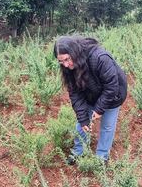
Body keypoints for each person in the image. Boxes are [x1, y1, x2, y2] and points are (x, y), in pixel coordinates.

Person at [54, 36, 127, 164]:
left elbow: (111, 87)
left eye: (67, 59)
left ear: (74, 52)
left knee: (107, 126)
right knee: (82, 124)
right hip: (90, 93)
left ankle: (101, 157)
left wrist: (99, 109)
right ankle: (78, 152)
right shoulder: (68, 68)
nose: (65, 65)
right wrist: (83, 118)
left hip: (113, 94)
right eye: (61, 62)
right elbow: (75, 93)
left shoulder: (100, 58)